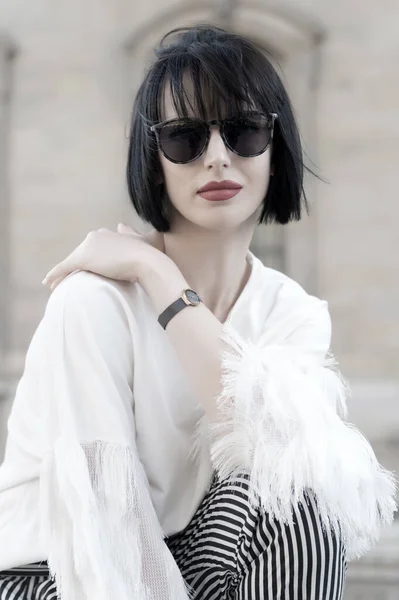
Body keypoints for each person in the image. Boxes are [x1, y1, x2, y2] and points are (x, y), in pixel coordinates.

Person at [0, 24, 396, 600]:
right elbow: (103, 520)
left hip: (180, 557)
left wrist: (160, 278)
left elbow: (289, 468)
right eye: (185, 138)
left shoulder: (290, 311)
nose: (216, 158)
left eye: (244, 132)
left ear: (275, 147)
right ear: (153, 157)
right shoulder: (92, 303)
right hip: (54, 572)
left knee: (298, 490)